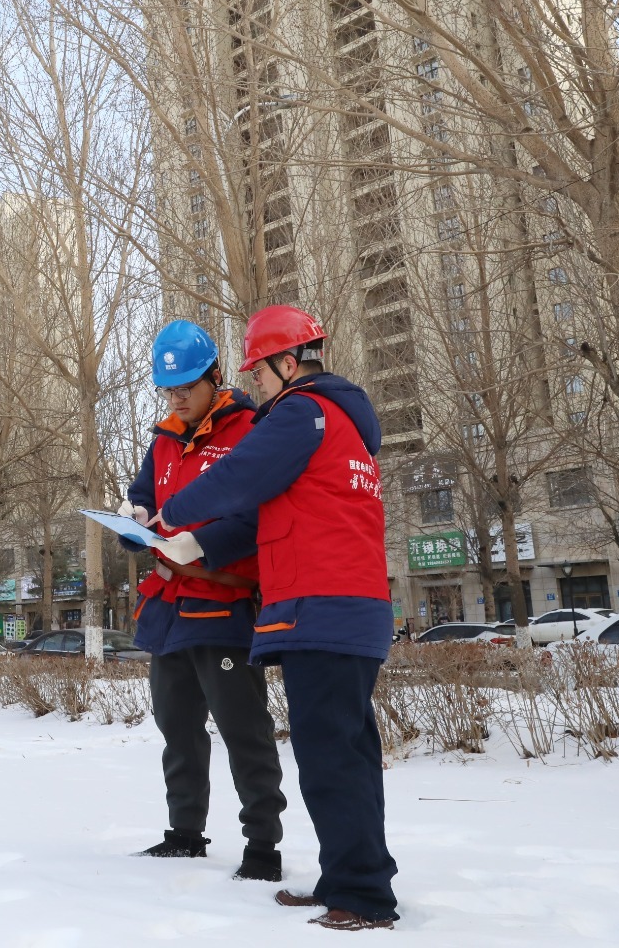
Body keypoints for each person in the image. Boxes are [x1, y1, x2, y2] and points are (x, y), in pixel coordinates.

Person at [153, 305, 400, 931]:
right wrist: (199, 544)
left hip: (326, 605)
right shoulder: (331, 420)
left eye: (257, 372)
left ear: (288, 363)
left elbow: (240, 473)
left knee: (331, 756)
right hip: (341, 606)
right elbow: (264, 512)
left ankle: (365, 896)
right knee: (341, 751)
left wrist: (173, 512)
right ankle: (349, 877)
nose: (253, 385)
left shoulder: (303, 410)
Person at [117, 320, 287, 882]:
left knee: (244, 729)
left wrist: (202, 542)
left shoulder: (250, 429)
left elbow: (259, 515)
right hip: (167, 608)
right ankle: (184, 832)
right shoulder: (164, 438)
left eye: (188, 386)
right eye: (170, 389)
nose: (179, 398)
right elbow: (146, 496)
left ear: (215, 377)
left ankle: (262, 844)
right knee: (176, 725)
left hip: (223, 605)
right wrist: (135, 519)